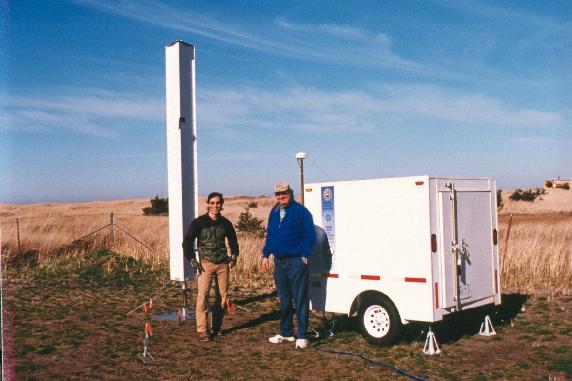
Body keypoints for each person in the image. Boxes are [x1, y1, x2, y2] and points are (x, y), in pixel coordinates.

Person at [262, 181, 316, 349]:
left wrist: (305, 254)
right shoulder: (274, 211)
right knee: (284, 299)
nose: (281, 196)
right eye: (278, 194)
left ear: (290, 193)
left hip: (296, 262)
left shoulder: (301, 211)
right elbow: (270, 234)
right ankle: (286, 333)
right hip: (279, 262)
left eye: (284, 193)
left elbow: (310, 235)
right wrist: (266, 254)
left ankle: (302, 335)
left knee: (300, 299)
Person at [183, 192, 239, 342]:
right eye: (212, 203)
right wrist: (193, 260)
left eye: (218, 203)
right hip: (205, 264)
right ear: (208, 204)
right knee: (203, 296)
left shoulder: (225, 223)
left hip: (223, 264)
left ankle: (216, 326)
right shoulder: (198, 222)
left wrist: (234, 255)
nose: (215, 206)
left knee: (223, 297)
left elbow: (233, 240)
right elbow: (187, 242)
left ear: (222, 205)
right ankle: (202, 330)